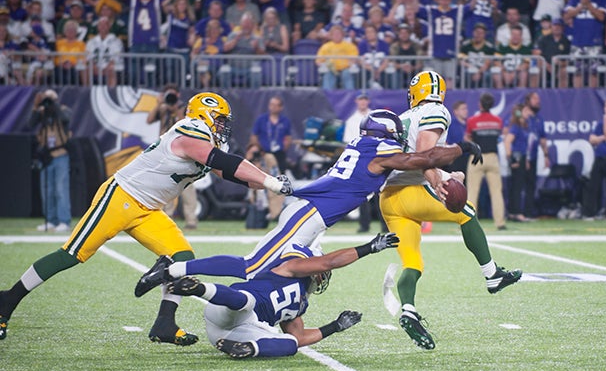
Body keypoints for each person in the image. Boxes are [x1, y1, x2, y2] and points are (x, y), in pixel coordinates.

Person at [0, 93, 293, 343]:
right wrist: (270, 182)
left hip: (149, 210)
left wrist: (272, 182)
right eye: (219, 120)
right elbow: (220, 161)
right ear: (204, 115)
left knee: (182, 257)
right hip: (122, 197)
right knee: (72, 254)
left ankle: (164, 323)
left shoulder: (208, 141)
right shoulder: (189, 129)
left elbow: (233, 173)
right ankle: (7, 301)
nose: (222, 128)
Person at [135, 109, 482, 299]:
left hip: (312, 216)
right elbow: (424, 158)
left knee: (283, 270)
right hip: (309, 216)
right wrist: (462, 148)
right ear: (386, 136)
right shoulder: (379, 153)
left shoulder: (364, 146)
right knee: (253, 265)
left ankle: (256, 309)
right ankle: (172, 270)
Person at [379, 71, 522, 351]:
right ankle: (492, 274)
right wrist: (440, 181)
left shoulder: (404, 117)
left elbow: (417, 156)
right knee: (465, 212)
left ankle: (408, 310)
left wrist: (445, 175)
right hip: (411, 191)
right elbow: (424, 154)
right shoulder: (436, 110)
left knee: (413, 263)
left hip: (388, 199)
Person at [141, 233, 400, 359]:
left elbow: (298, 337)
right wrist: (369, 248)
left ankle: (246, 350)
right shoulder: (290, 268)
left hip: (232, 334)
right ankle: (198, 288)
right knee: (246, 300)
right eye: (321, 267)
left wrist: (335, 327)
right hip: (227, 308)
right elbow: (329, 262)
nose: (324, 273)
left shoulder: (301, 303)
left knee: (289, 345)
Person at [147, 86, 200, 230]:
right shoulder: (163, 109)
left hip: (183, 153)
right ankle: (166, 218)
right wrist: (159, 104)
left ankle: (191, 220)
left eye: (173, 94)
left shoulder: (185, 109)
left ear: (178, 95)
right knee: (164, 185)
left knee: (188, 186)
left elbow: (186, 127)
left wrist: (177, 111)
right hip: (165, 152)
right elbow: (149, 119)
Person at [30, 89, 72, 233]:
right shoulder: (42, 112)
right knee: (47, 190)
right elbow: (30, 123)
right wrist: (36, 107)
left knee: (61, 189)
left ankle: (64, 221)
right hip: (46, 157)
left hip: (61, 155)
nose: (48, 102)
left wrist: (55, 105)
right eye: (46, 98)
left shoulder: (63, 110)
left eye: (51, 98)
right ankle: (51, 221)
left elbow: (66, 119)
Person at [465, 92, 506, 230]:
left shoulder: (472, 121)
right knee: (496, 192)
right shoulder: (497, 121)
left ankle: (467, 223)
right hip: (493, 158)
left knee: (472, 191)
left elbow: (468, 139)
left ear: (480, 104)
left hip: (476, 157)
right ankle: (500, 223)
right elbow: (500, 137)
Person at [249, 95, 293, 223]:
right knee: (262, 181)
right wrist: (260, 150)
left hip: (279, 154)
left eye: (275, 105)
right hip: (265, 153)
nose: (272, 107)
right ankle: (259, 212)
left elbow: (288, 138)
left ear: (281, 107)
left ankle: (275, 212)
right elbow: (254, 137)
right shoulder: (262, 120)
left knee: (278, 181)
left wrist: (283, 149)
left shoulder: (284, 121)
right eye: (271, 104)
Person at [342, 92, 378, 233]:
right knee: (363, 194)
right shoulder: (352, 121)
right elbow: (349, 143)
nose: (362, 102)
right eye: (360, 99)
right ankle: (364, 225)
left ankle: (385, 225)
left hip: (377, 157)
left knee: (380, 192)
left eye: (365, 99)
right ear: (356, 101)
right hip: (361, 159)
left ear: (368, 101)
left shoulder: (375, 116)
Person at [562, 0, 606, 88]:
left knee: (594, 72)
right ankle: (578, 97)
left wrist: (589, 5)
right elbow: (566, 16)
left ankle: (592, 98)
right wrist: (580, 6)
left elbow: (601, 17)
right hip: (578, 41)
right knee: (577, 72)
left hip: (594, 41)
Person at [524, 91, 550, 218]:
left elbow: (542, 139)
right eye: (534, 98)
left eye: (538, 98)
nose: (537, 101)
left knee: (531, 184)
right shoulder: (521, 114)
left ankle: (528, 213)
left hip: (533, 155)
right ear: (528, 100)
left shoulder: (539, 119)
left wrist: (546, 156)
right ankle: (515, 212)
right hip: (521, 156)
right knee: (517, 185)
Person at [315, 24, 359, 89]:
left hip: (346, 69)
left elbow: (354, 58)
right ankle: (327, 96)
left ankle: (350, 95)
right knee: (328, 75)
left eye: (338, 33)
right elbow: (318, 60)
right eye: (334, 34)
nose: (336, 35)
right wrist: (324, 64)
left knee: (346, 74)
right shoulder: (325, 46)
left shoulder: (350, 46)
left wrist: (349, 64)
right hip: (331, 69)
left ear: (342, 35)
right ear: (331, 35)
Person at [85, 15, 123, 87]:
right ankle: (87, 92)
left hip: (110, 67)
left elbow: (116, 58)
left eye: (105, 25)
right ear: (97, 27)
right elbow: (89, 57)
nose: (102, 27)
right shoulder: (91, 41)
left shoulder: (116, 41)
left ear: (109, 27)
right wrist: (95, 67)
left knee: (111, 69)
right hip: (95, 67)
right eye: (100, 25)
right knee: (87, 68)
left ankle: (110, 93)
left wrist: (106, 68)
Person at [534, 17, 571, 88]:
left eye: (559, 26)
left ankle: (561, 95)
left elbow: (569, 59)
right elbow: (536, 53)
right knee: (536, 68)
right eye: (555, 26)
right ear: (551, 27)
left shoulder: (566, 41)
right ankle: (534, 93)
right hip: (545, 64)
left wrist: (561, 63)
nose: (557, 28)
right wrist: (547, 65)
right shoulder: (544, 39)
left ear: (562, 28)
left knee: (563, 71)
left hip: (559, 66)